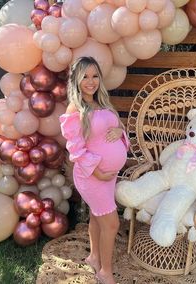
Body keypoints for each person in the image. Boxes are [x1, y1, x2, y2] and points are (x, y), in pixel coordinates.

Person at [59, 56, 129, 284]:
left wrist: (120, 132)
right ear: (77, 80)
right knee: (112, 223)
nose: (91, 81)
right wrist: (97, 172)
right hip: (91, 176)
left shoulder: (103, 103)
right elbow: (76, 149)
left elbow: (117, 129)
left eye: (95, 75)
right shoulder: (75, 108)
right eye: (85, 76)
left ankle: (94, 257)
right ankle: (105, 272)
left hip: (108, 176)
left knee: (97, 216)